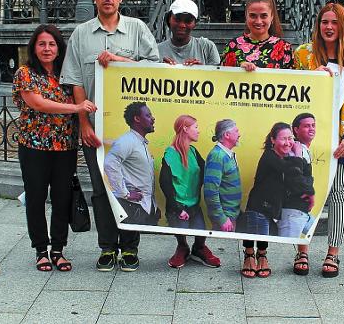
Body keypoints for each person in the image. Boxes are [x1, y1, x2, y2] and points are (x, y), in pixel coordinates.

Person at [60, 0, 160, 272]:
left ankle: (129, 247)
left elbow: (154, 69)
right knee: (103, 188)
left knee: (132, 185)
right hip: (96, 129)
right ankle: (107, 247)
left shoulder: (137, 29)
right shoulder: (81, 34)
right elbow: (75, 81)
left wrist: (120, 61)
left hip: (129, 129)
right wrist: (84, 125)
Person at [220, 0, 294, 278]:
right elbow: (220, 85)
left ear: (272, 16)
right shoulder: (233, 48)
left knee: (266, 193)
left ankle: (263, 252)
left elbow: (296, 89)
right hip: (241, 130)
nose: (258, 20)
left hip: (270, 134)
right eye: (253, 15)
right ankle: (247, 251)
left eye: (264, 15)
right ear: (246, 17)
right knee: (244, 192)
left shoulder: (284, 49)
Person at [12, 25, 97, 272]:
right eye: (42, 44)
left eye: (52, 44)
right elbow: (38, 103)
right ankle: (40, 249)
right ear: (34, 47)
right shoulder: (25, 73)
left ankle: (58, 249)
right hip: (34, 146)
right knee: (36, 197)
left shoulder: (68, 75)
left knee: (62, 198)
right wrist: (77, 108)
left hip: (64, 147)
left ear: (60, 48)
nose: (47, 49)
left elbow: (84, 92)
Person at [292, 3, 344, 277]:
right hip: (309, 135)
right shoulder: (304, 54)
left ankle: (333, 252)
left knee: (338, 195)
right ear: (318, 25)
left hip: (340, 139)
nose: (329, 27)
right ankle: (301, 248)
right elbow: (291, 88)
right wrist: (313, 78)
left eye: (335, 22)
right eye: (325, 22)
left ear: (343, 26)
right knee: (303, 190)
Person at [242, 122, 314, 278]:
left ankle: (261, 256)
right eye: (283, 139)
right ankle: (249, 255)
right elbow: (293, 173)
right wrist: (298, 155)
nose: (288, 143)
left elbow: (302, 181)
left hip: (273, 209)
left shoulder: (287, 158)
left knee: (307, 224)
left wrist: (310, 192)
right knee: (256, 229)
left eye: (291, 138)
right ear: (273, 140)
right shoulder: (270, 156)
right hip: (258, 207)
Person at [103, 102, 160, 270]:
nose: (153, 119)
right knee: (127, 229)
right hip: (132, 205)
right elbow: (110, 164)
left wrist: (154, 205)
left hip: (143, 206)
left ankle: (129, 252)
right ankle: (121, 252)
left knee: (133, 230)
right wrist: (125, 193)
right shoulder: (127, 141)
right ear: (137, 119)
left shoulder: (139, 142)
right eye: (148, 116)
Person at [159, 115, 221, 269]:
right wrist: (177, 208)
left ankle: (198, 249)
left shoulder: (193, 151)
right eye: (196, 127)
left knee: (201, 232)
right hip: (178, 206)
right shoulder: (170, 153)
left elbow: (206, 170)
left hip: (194, 205)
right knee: (182, 230)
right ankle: (182, 248)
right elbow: (164, 183)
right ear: (185, 129)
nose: (199, 131)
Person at [203, 119, 242, 232]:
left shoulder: (227, 154)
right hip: (225, 217)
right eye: (236, 131)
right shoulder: (218, 156)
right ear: (227, 135)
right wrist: (221, 218)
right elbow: (210, 191)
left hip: (230, 215)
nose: (239, 134)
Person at [158, 0, 220, 66]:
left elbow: (218, 74)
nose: (182, 25)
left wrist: (203, 70)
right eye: (177, 19)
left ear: (195, 24)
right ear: (169, 20)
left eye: (188, 21)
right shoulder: (157, 51)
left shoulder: (207, 47)